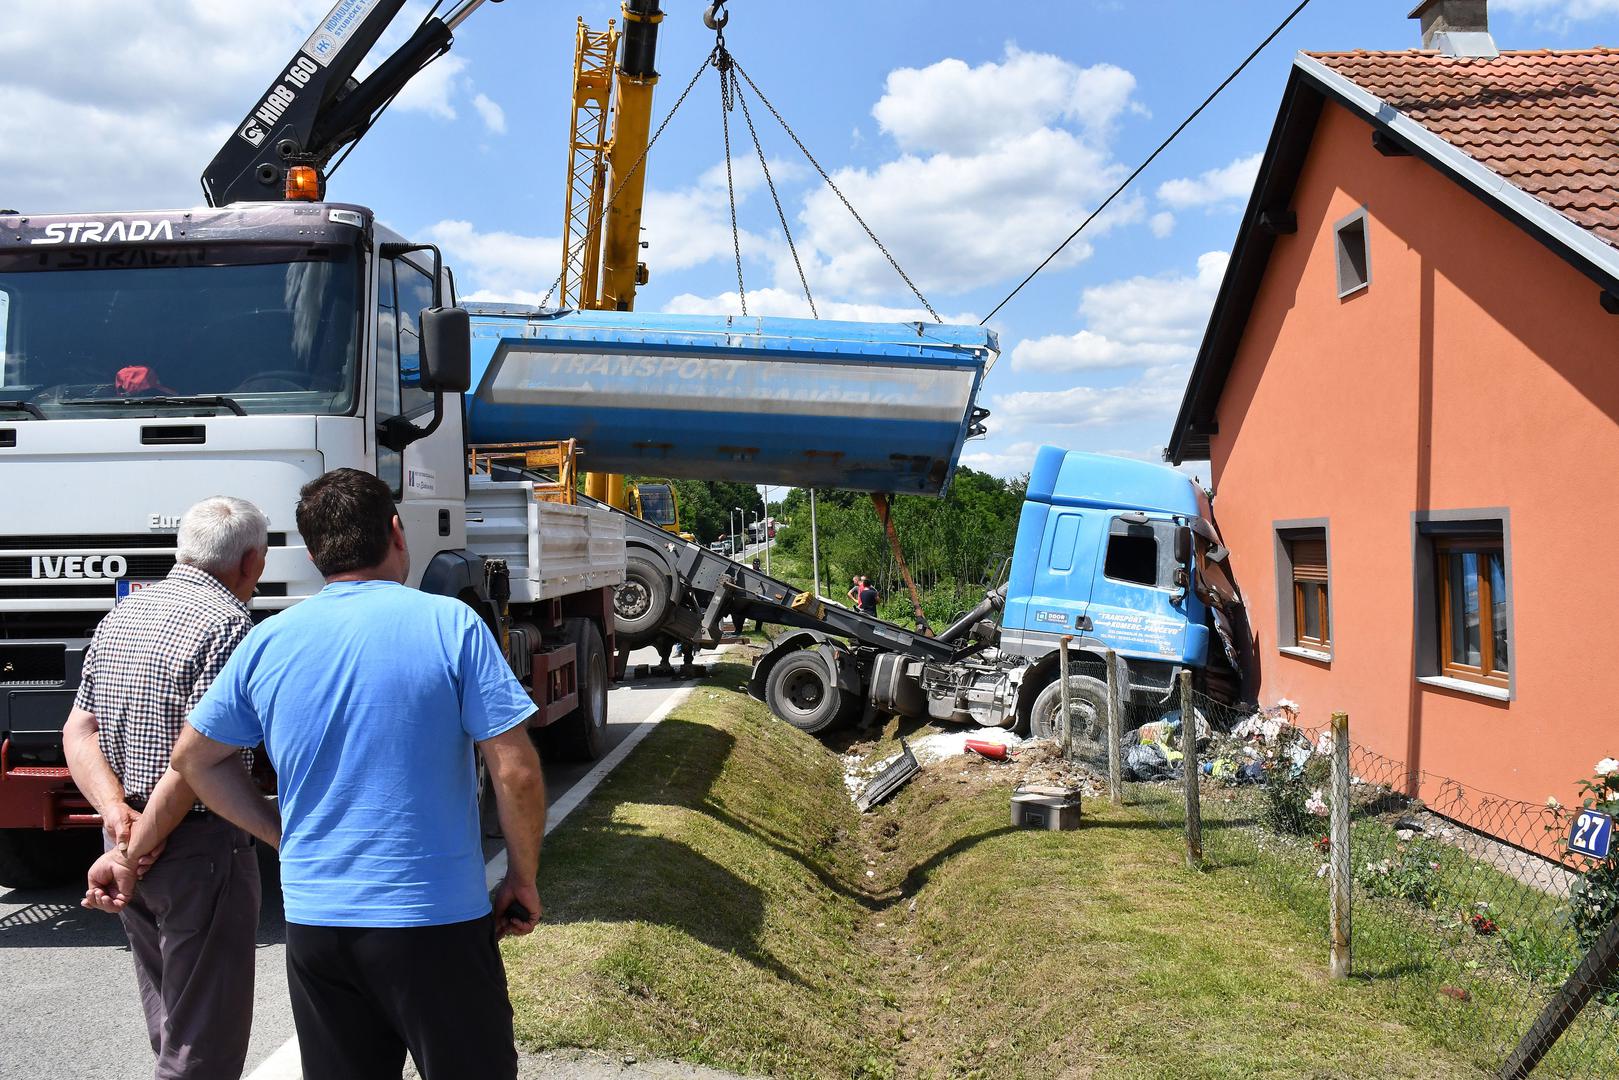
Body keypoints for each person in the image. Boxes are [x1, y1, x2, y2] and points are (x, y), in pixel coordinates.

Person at [171, 468, 545, 1080]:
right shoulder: (450, 625)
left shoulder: (269, 640)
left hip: (318, 923)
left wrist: (281, 833)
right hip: (434, 920)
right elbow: (516, 770)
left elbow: (195, 759)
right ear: (397, 532)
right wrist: (521, 878)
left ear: (314, 553)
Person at [65, 496, 269, 1080]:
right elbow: (196, 761)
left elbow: (79, 728)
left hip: (128, 836)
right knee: (202, 1046)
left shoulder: (122, 615)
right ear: (250, 561)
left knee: (171, 1028)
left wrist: (116, 820)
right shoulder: (228, 623)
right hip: (196, 845)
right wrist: (134, 846)